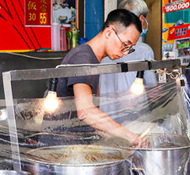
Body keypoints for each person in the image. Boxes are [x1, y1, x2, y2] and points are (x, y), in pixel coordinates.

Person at [55, 9, 145, 146]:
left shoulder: (93, 60)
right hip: (60, 149)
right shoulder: (82, 58)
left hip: (75, 145)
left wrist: (119, 140)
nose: (125, 53)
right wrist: (132, 137)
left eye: (129, 48)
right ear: (109, 32)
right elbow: (86, 112)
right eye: (125, 45)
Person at [99, 0, 158, 94]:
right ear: (142, 19)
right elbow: (153, 91)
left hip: (106, 108)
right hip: (133, 108)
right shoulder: (144, 50)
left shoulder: (105, 48)